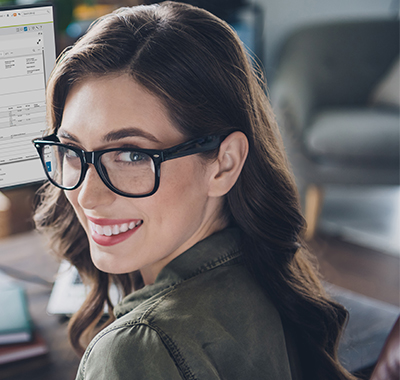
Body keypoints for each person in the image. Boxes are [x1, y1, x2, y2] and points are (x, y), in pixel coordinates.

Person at [32, 2, 356, 379]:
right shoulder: (269, 278)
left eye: (132, 155)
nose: (88, 196)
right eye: (72, 150)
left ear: (225, 163)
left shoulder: (136, 349)